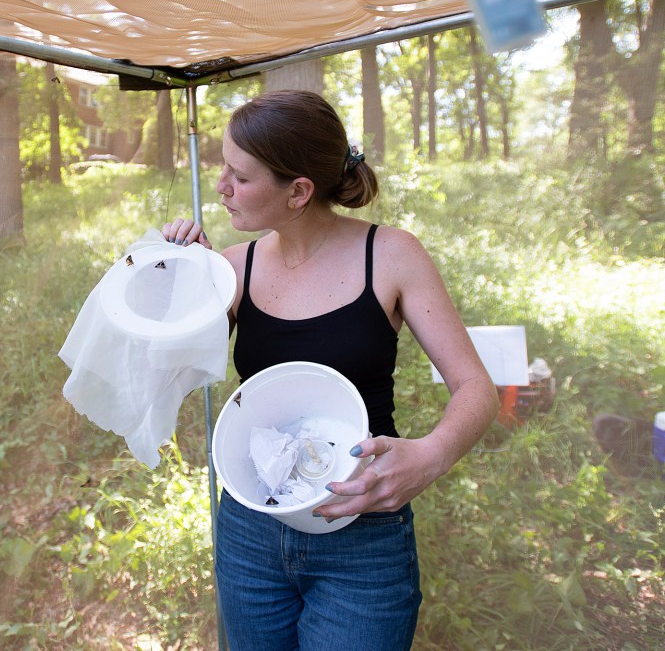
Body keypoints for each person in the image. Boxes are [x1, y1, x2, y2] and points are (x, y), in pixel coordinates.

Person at [162, 89, 498, 650]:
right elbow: (173, 378)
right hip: (250, 527)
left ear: (298, 191)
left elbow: (475, 387)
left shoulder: (390, 255)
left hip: (361, 531)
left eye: (239, 177)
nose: (220, 187)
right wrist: (180, 280)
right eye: (223, 168)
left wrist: (432, 455)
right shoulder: (231, 268)